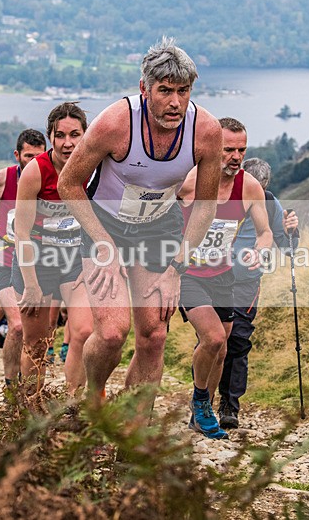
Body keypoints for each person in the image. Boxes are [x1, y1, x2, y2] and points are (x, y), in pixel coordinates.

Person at [57, 37, 221, 407]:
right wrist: (102, 242)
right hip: (106, 225)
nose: (175, 102)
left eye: (184, 91)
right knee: (113, 333)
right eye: (165, 91)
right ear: (144, 89)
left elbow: (206, 206)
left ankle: (132, 432)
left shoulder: (205, 132)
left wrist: (177, 267)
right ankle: (94, 396)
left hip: (158, 228)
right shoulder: (114, 124)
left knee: (154, 336)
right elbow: (68, 183)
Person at [176, 117, 274, 439]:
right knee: (214, 338)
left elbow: (265, 232)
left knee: (222, 347)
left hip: (223, 275)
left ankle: (201, 407)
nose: (235, 156)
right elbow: (159, 216)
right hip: (188, 273)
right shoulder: (191, 181)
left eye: (241, 150)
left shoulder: (249, 186)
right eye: (228, 149)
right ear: (212, 148)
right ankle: (202, 404)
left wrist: (260, 250)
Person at [12, 102, 94, 394]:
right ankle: (31, 410)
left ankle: (72, 404)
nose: (68, 143)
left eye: (75, 135)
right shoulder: (36, 172)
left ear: (86, 135)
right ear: (51, 136)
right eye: (60, 135)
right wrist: (31, 285)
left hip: (74, 259)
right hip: (36, 259)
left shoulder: (93, 168)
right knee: (37, 344)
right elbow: (20, 231)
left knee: (84, 331)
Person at [217, 150, 299, 429]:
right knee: (213, 340)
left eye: (260, 190)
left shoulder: (271, 203)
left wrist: (291, 232)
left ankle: (230, 405)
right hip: (212, 278)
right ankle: (201, 400)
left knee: (237, 341)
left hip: (246, 282)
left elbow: (286, 247)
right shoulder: (221, 195)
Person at [0, 129, 46, 384]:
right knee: (16, 326)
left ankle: (30, 384)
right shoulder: (2, 178)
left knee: (35, 331)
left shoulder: (48, 176)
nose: (33, 161)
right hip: (4, 257)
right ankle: (10, 385)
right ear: (17, 155)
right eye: (28, 156)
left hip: (36, 260)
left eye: (39, 156)